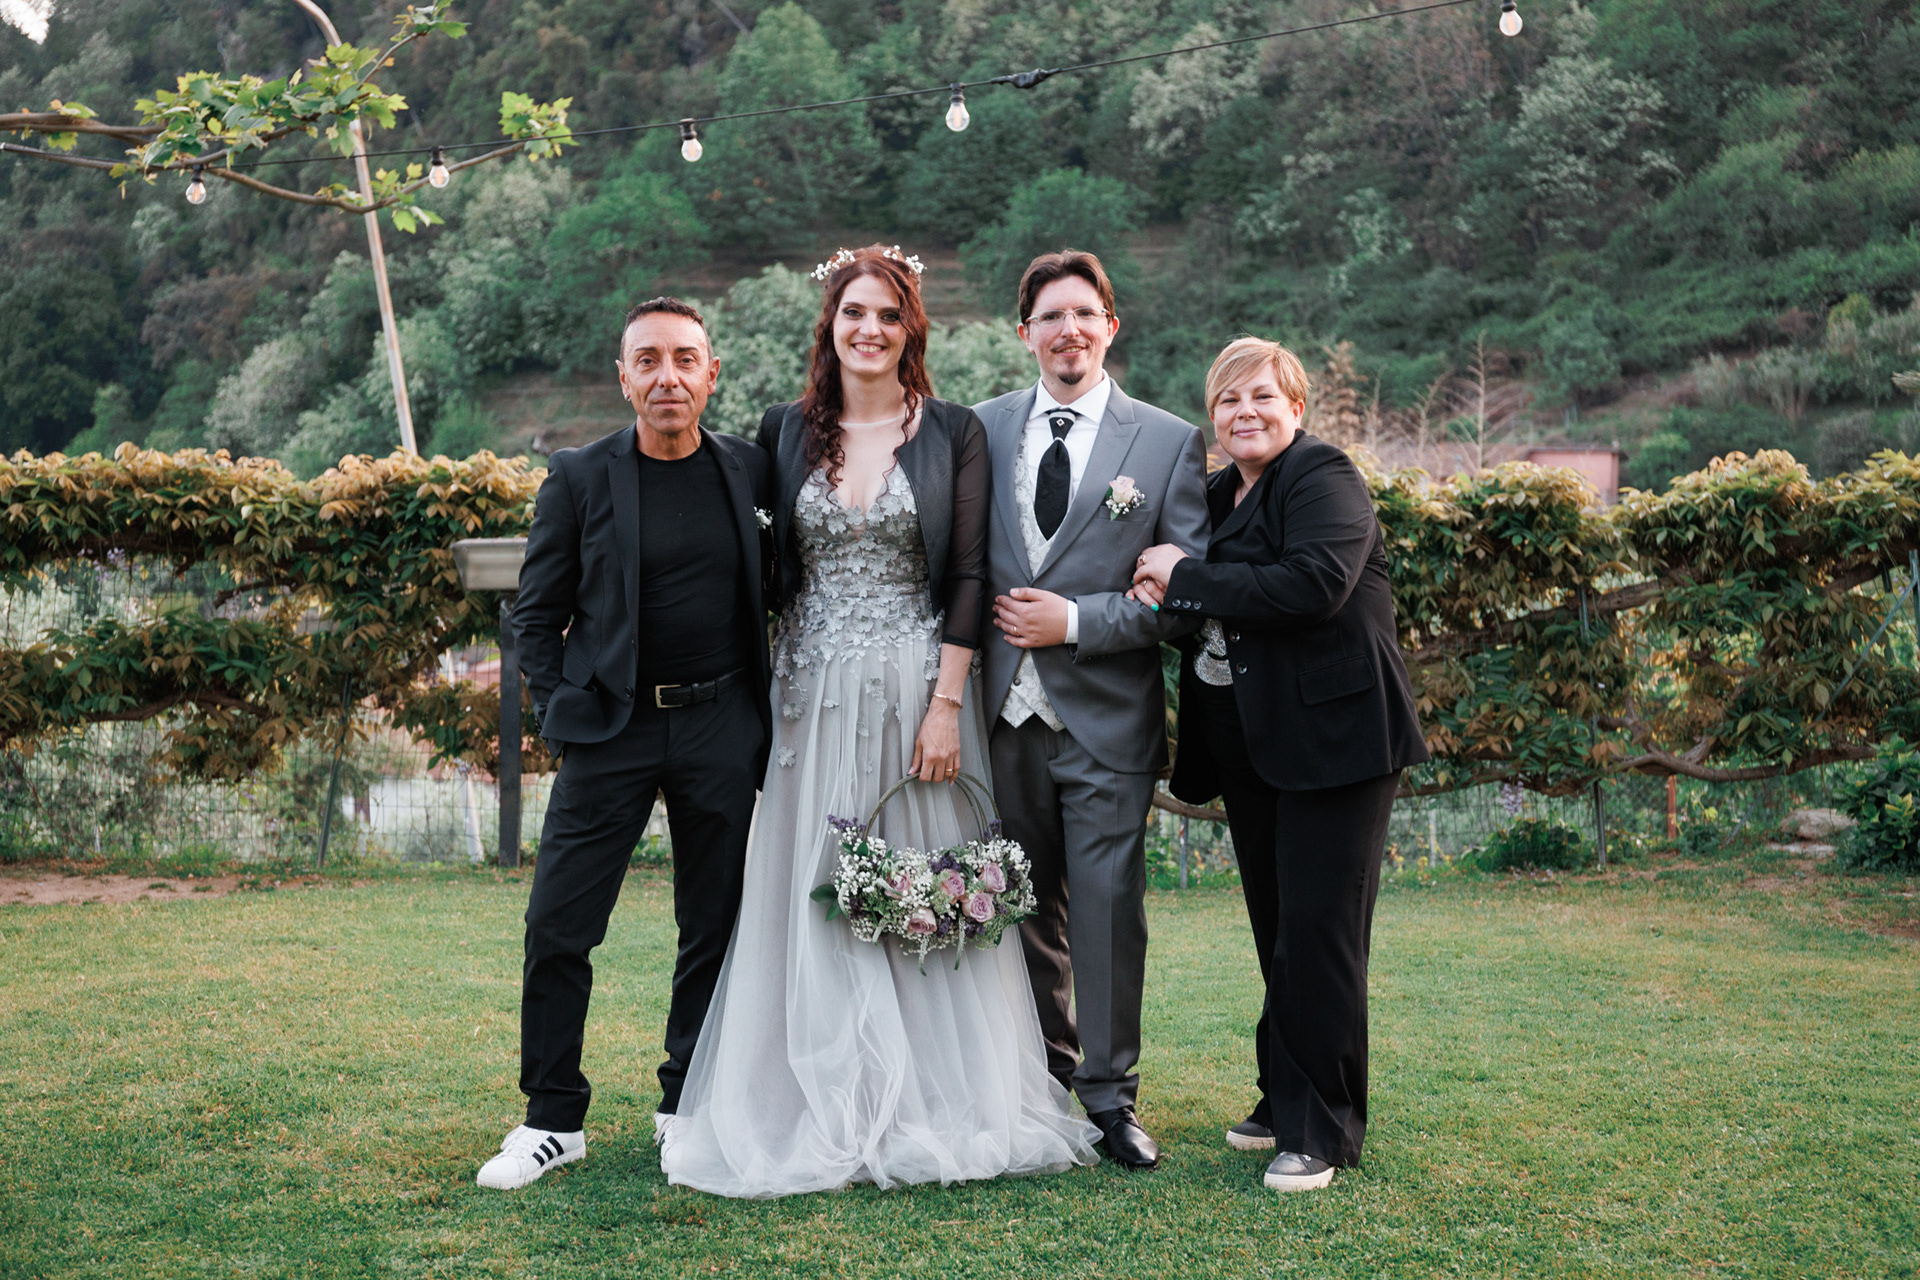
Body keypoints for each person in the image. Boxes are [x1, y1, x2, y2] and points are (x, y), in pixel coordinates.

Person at [660, 245, 1099, 1198]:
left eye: (888, 316)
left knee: (914, 878)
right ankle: (817, 1097)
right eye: (853, 312)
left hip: (915, 688)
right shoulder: (784, 431)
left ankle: (931, 1101)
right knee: (808, 882)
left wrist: (946, 707)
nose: (869, 329)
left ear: (910, 330)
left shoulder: (951, 432)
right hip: (807, 695)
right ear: (831, 325)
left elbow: (969, 574)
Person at [475, 298, 774, 1190]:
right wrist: (564, 708)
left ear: (711, 373)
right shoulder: (578, 477)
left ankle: (686, 1107)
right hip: (612, 727)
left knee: (713, 924)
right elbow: (535, 616)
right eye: (648, 360)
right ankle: (551, 1120)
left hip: (722, 723)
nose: (667, 377)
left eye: (684, 359)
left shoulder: (752, 470)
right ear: (623, 377)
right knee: (557, 924)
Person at [1129, 336, 1429, 1193]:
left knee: (1320, 934)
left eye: (1262, 396)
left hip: (1339, 740)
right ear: (1212, 417)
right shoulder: (1214, 493)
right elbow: (1197, 602)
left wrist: (1186, 575)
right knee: (1278, 927)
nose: (1245, 412)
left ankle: (1322, 1131)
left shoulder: (1322, 475)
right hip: (1252, 742)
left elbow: (1311, 586)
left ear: (1296, 406)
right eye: (1228, 400)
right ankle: (1282, 1095)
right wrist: (1159, 588)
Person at [973, 250, 1210, 1170]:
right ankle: (1042, 1079)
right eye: (1049, 316)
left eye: (1084, 313)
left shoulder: (1167, 441)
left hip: (1107, 720)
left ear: (1111, 325)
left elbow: (1181, 599)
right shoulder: (980, 428)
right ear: (1024, 332)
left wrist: (1073, 621)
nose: (1067, 330)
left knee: (1109, 910)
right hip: (1000, 718)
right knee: (1019, 905)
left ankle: (1112, 1100)